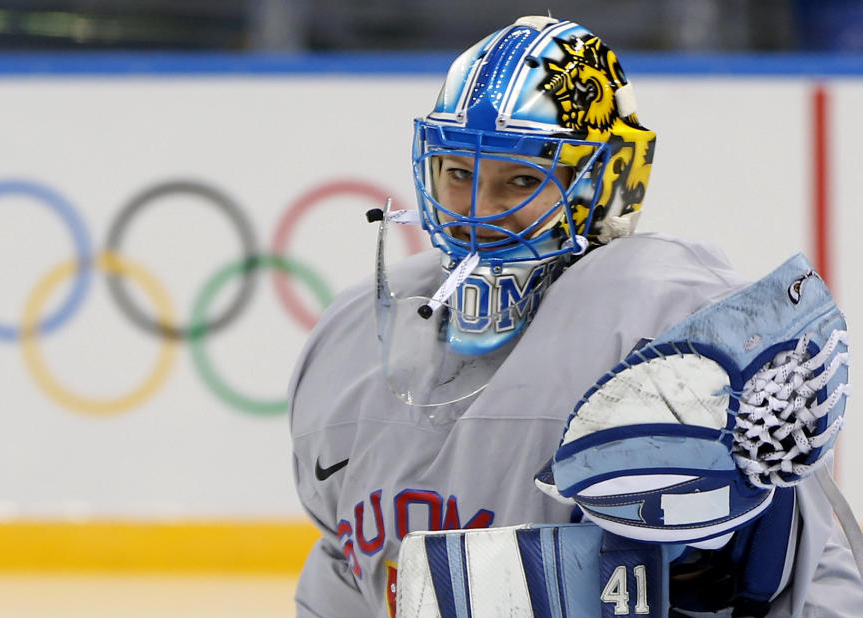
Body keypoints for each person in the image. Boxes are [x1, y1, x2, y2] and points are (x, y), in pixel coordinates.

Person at [288, 15, 863, 617]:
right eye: (459, 173)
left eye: (519, 180)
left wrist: (706, 551)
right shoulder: (352, 333)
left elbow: (796, 570)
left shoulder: (672, 321)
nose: (477, 212)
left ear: (601, 186)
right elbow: (343, 566)